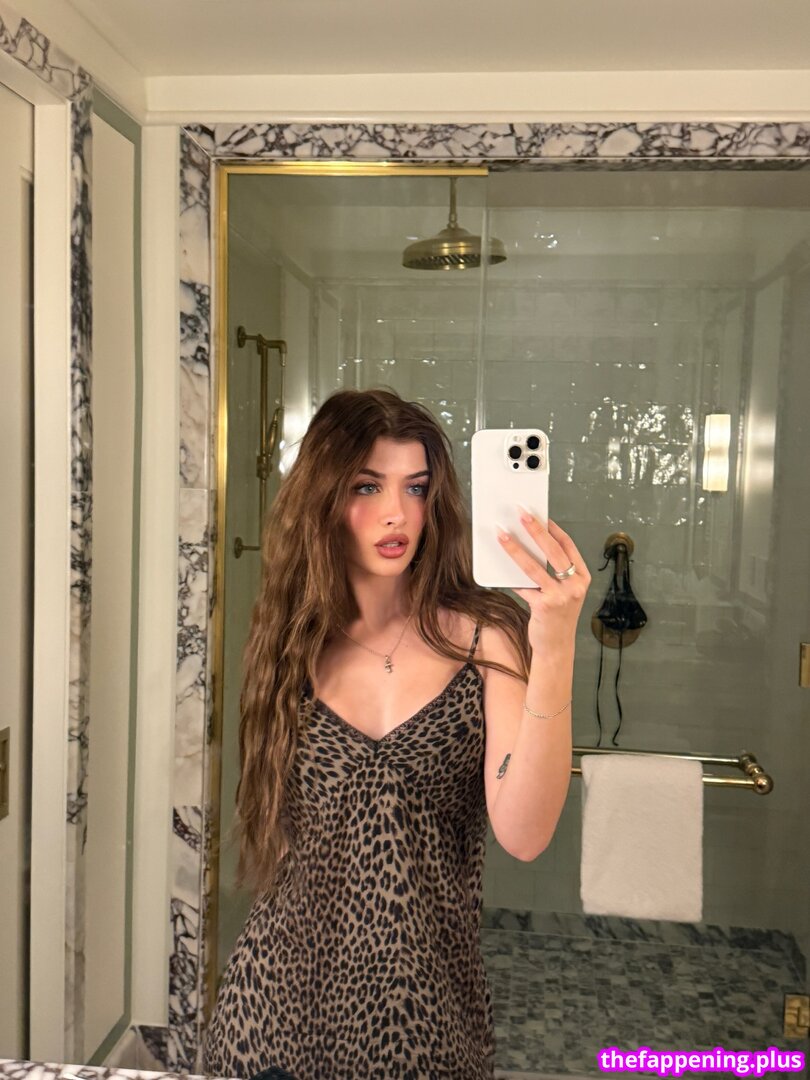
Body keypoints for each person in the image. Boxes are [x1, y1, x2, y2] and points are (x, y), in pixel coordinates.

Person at [201, 387, 590, 1080]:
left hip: (426, 1023)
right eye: (367, 486)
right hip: (273, 1018)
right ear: (323, 499)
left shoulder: (485, 636)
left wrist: (554, 642)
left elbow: (525, 835)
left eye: (416, 488)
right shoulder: (292, 643)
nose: (397, 513)